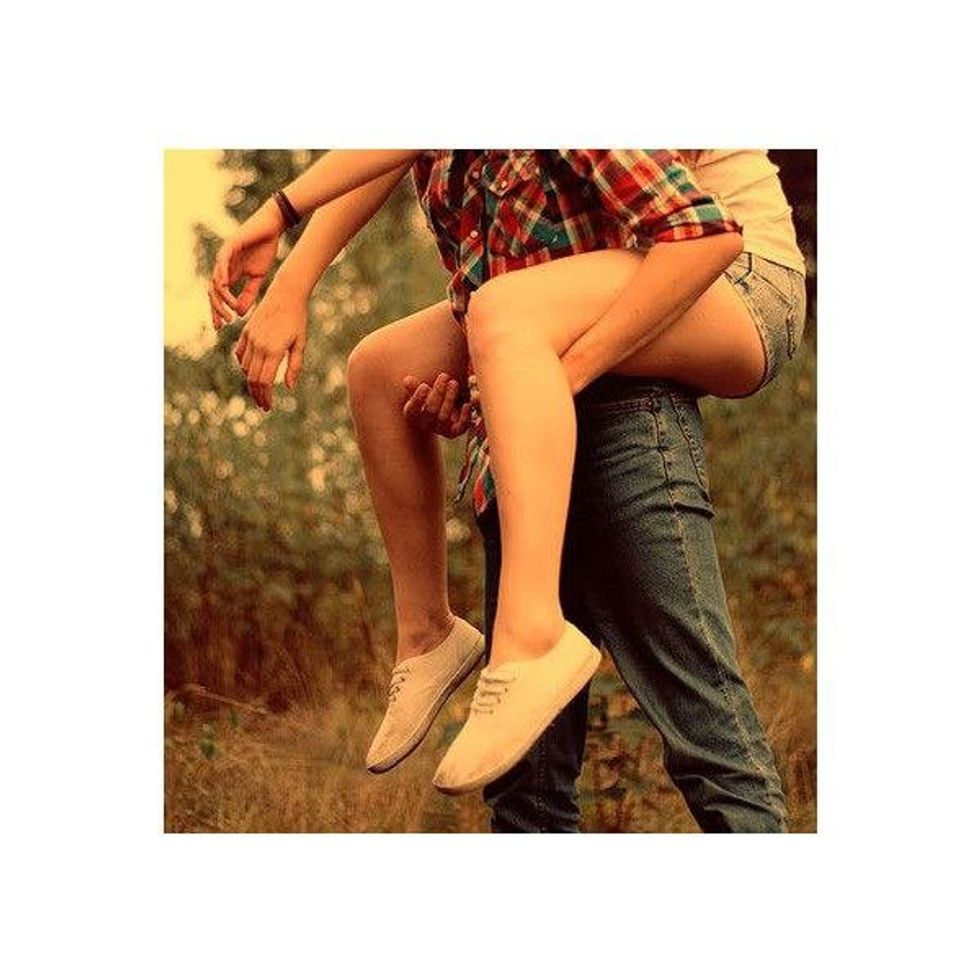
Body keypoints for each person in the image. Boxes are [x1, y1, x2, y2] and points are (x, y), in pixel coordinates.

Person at [211, 150, 805, 828]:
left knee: (507, 315)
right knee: (381, 368)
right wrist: (295, 276)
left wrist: (556, 371)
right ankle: (429, 635)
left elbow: (698, 233)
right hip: (597, 278)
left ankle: (532, 636)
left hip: (734, 272)